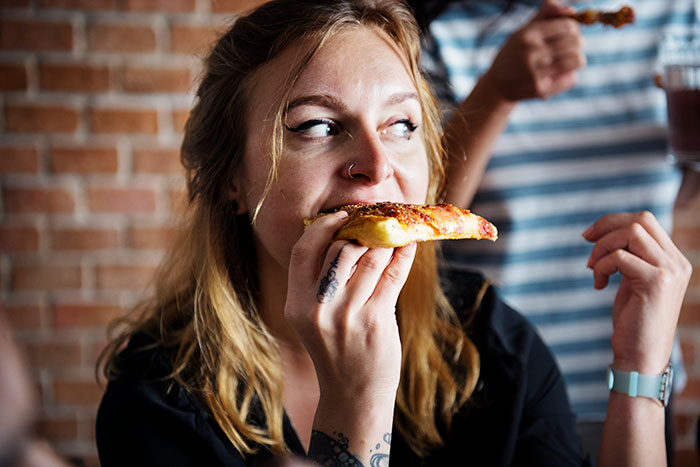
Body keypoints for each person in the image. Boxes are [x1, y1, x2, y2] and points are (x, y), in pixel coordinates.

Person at [94, 1, 692, 466]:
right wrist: (355, 405)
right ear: (229, 175)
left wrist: (639, 375)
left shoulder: (494, 347)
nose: (378, 166)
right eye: (318, 125)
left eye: (402, 124)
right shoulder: (156, 401)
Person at [407, 0, 699, 456]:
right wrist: (495, 94)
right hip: (493, 387)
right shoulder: (442, 35)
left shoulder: (683, 17)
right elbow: (423, 226)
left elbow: (684, 190)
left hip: (642, 374)